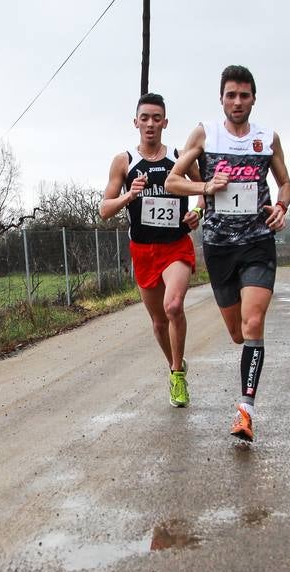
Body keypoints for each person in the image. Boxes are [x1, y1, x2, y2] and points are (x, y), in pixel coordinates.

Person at [165, 64, 290, 441]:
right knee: (238, 334)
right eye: (231, 95)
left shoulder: (267, 138)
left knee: (254, 325)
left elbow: (285, 183)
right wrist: (206, 185)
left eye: (245, 95)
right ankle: (243, 397)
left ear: (254, 98)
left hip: (257, 243)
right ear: (221, 98)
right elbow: (173, 180)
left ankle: (245, 411)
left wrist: (281, 207)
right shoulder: (206, 133)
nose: (238, 102)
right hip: (219, 249)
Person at [99, 92, 206, 407]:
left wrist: (197, 213)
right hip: (143, 251)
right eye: (144, 118)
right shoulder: (125, 162)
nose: (150, 124)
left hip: (176, 246)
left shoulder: (179, 156)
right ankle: (174, 362)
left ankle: (176, 374)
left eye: (156, 118)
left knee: (174, 307)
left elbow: (206, 191)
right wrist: (128, 197)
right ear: (135, 122)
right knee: (159, 322)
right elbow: (105, 209)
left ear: (165, 122)